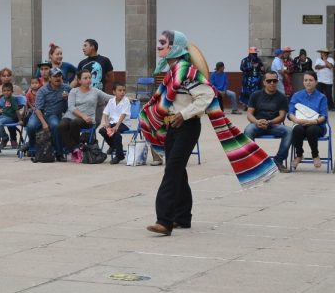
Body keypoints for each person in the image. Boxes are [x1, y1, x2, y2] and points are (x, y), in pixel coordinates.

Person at [139, 30, 277, 237]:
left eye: (163, 43)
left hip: (187, 126)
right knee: (177, 170)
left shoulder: (186, 71)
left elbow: (206, 95)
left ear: (175, 46)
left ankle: (164, 220)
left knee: (172, 171)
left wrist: (184, 114)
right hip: (173, 126)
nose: (158, 46)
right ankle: (182, 217)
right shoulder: (172, 72)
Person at [243, 71, 293, 171]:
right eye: (269, 81)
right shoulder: (255, 95)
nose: (272, 83)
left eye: (274, 81)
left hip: (273, 125)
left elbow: (282, 116)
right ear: (264, 82)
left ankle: (278, 161)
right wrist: (257, 122)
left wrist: (269, 122)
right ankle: (253, 162)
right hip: (257, 124)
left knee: (289, 131)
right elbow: (249, 114)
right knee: (248, 130)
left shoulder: (281, 97)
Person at [59, 69, 112, 156]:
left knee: (74, 123)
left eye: (89, 78)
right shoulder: (74, 91)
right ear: (79, 80)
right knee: (61, 125)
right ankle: (75, 148)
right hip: (72, 116)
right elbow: (71, 107)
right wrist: (83, 116)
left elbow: (109, 98)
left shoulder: (95, 91)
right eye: (85, 78)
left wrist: (125, 98)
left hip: (88, 119)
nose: (88, 80)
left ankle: (76, 150)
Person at [26, 67, 70, 160]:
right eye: (55, 76)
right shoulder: (42, 90)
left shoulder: (66, 88)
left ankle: (59, 153)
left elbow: (75, 101)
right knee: (31, 126)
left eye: (59, 76)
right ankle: (32, 147)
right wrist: (44, 123)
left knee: (55, 125)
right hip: (39, 114)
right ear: (49, 78)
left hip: (53, 115)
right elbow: (37, 109)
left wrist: (68, 97)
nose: (58, 78)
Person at [288, 71, 328, 169]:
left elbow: (324, 116)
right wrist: (296, 120)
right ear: (303, 82)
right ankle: (299, 155)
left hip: (317, 126)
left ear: (316, 82)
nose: (308, 82)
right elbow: (290, 113)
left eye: (311, 80)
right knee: (297, 129)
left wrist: (313, 122)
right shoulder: (297, 95)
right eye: (306, 80)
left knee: (312, 129)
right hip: (300, 124)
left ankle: (315, 155)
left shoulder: (321, 97)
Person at [98, 82, 132, 164]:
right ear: (114, 92)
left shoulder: (126, 101)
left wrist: (117, 126)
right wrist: (106, 123)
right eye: (119, 90)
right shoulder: (111, 101)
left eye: (124, 90)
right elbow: (106, 113)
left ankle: (119, 155)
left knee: (115, 133)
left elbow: (123, 115)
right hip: (113, 123)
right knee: (102, 130)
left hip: (123, 123)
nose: (122, 92)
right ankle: (113, 146)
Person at [0, 68, 24, 145]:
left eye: (8, 75)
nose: (6, 77)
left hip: (11, 112)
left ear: (11, 77)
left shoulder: (16, 88)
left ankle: (13, 138)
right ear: (0, 77)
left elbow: (22, 103)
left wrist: (10, 107)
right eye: (4, 76)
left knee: (10, 115)